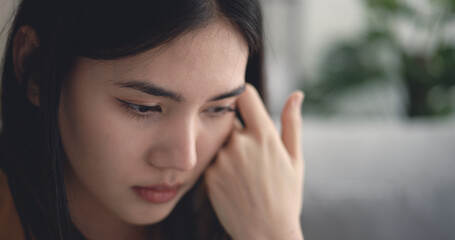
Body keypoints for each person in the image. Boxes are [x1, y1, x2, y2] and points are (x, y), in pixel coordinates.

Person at [0, 0, 305, 239]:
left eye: (218, 108)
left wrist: (274, 232)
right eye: (143, 107)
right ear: (36, 69)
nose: (185, 159)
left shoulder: (242, 217)